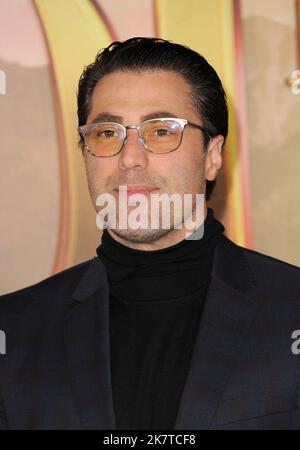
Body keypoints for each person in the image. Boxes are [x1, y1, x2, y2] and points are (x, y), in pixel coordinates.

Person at [0, 37, 300, 430]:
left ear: (212, 156)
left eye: (161, 131)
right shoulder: (15, 333)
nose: (129, 159)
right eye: (107, 132)